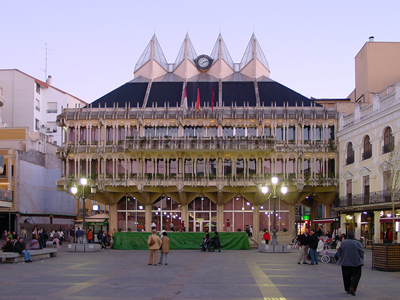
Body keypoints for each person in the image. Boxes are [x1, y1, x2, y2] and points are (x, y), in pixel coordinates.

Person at [337, 231, 364, 296]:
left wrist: (341, 258)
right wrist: (361, 259)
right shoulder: (357, 243)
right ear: (354, 236)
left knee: (346, 276)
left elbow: (339, 251)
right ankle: (353, 287)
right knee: (356, 275)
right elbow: (361, 252)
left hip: (345, 262)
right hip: (356, 262)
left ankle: (347, 289)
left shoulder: (343, 242)